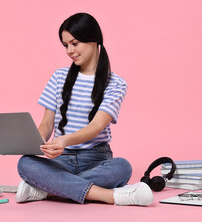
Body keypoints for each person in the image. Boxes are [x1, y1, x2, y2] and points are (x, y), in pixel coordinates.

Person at [16, 13, 153, 206]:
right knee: (25, 163)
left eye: (75, 43)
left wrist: (64, 140)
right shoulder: (59, 77)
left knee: (122, 167)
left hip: (96, 158)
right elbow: (47, 124)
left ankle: (47, 189)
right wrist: (34, 144)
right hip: (60, 159)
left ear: (94, 40)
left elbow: (96, 126)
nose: (69, 51)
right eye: (65, 45)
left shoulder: (115, 83)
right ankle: (111, 196)